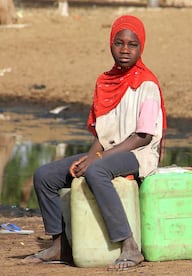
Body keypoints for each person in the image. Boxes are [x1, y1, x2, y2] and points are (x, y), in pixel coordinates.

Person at [23, 15, 167, 271]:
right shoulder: (104, 82)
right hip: (109, 152)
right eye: (118, 43)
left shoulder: (147, 85)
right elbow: (100, 135)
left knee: (97, 171)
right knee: (45, 175)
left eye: (132, 45)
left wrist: (97, 160)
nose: (124, 50)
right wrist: (90, 156)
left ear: (141, 47)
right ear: (110, 44)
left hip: (139, 153)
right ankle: (60, 244)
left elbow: (142, 136)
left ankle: (129, 246)